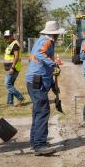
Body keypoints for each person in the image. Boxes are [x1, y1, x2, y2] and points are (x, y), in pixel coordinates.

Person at [26, 21, 64, 156]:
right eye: (58, 34)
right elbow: (39, 55)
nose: (58, 36)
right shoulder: (46, 41)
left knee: (38, 112)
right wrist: (54, 64)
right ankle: (39, 145)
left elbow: (44, 63)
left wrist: (53, 84)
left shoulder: (45, 41)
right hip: (37, 81)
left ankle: (34, 142)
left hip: (38, 80)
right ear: (54, 34)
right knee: (42, 111)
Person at [3, 30, 24, 107]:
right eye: (5, 37)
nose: (6, 38)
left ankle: (20, 97)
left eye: (8, 37)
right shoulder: (10, 44)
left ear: (12, 36)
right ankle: (10, 102)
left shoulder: (15, 44)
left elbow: (16, 56)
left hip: (13, 68)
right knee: (10, 84)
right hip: (10, 68)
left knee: (7, 84)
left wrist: (12, 67)